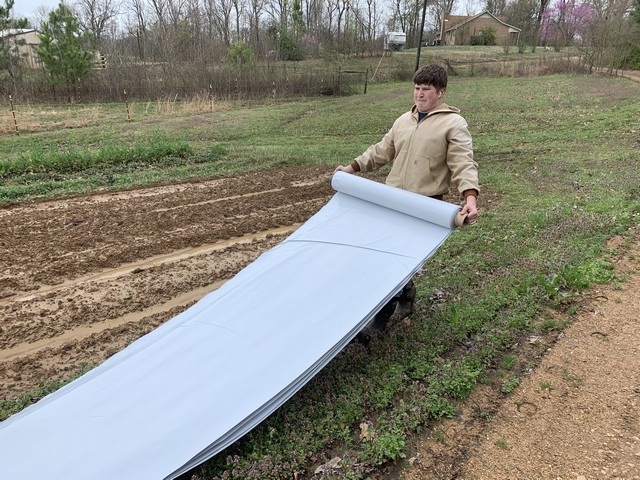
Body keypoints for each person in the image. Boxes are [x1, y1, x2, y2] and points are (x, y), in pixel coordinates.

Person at [334, 63, 479, 333]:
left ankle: (384, 312)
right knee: (382, 254)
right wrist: (351, 168)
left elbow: (463, 163)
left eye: (426, 90)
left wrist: (469, 197)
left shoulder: (453, 124)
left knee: (398, 259)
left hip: (424, 204)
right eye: (416, 88)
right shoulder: (403, 121)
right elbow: (381, 151)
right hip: (393, 200)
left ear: (441, 92)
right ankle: (406, 294)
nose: (420, 95)